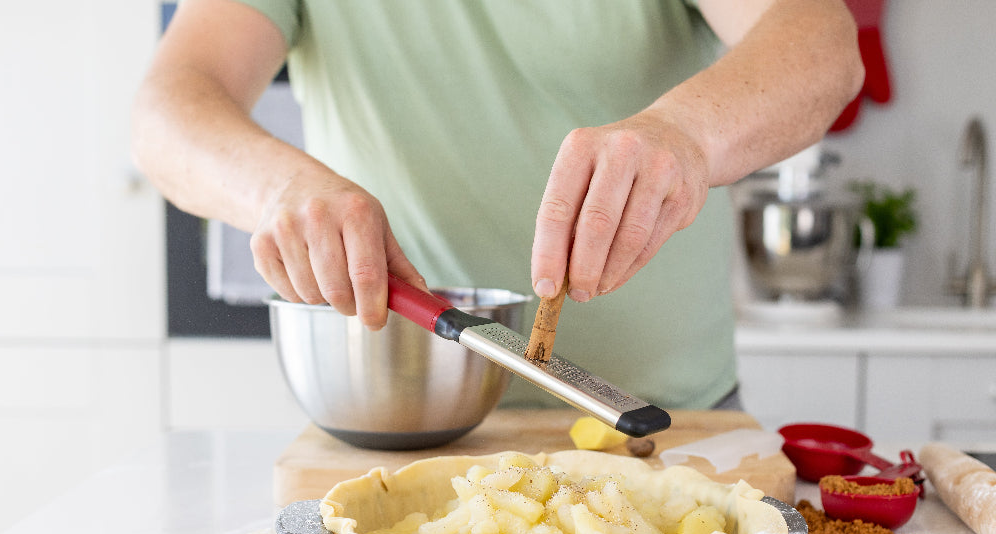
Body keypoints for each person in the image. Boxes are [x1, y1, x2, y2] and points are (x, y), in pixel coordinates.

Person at [132, 0, 863, 410]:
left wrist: (685, 135)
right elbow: (166, 111)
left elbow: (822, 44)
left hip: (670, 423)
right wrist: (278, 189)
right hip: (397, 430)